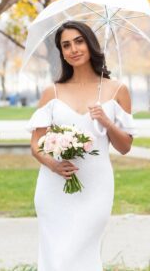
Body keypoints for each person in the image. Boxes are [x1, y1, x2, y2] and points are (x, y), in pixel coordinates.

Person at [26, 21, 137, 271]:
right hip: (54, 188)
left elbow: (125, 146)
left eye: (78, 41)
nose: (73, 49)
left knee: (80, 251)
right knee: (57, 255)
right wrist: (53, 164)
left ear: (90, 44)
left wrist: (107, 122)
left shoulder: (117, 89)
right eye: (66, 45)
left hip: (95, 187)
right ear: (61, 53)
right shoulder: (51, 92)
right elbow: (36, 145)